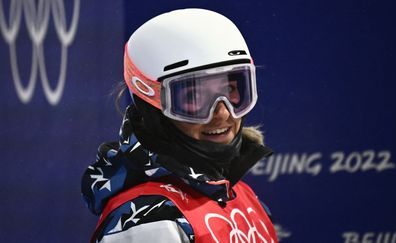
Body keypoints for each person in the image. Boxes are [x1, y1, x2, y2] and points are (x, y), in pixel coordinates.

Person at [81, 8, 277, 243]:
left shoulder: (238, 195)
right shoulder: (151, 222)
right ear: (153, 106)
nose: (222, 113)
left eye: (230, 90)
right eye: (195, 98)